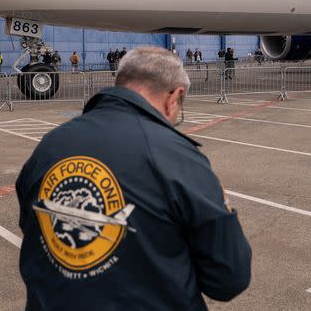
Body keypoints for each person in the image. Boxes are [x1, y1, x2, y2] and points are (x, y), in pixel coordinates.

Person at [16, 47, 251, 309]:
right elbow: (229, 278)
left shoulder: (49, 146)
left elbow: (32, 226)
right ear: (174, 97)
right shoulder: (178, 158)